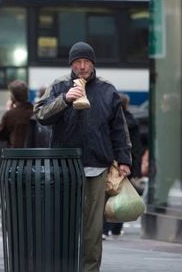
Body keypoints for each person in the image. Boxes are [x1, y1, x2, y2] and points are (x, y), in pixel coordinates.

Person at [33, 42, 132, 272]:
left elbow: (119, 128)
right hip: (64, 168)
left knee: (92, 230)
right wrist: (65, 100)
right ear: (71, 64)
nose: (82, 66)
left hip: (97, 168)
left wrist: (124, 159)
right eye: (77, 62)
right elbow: (40, 114)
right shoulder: (59, 86)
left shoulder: (107, 90)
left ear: (93, 63)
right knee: (63, 225)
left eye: (86, 61)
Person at [103, 93, 142, 239]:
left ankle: (106, 228)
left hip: (112, 163)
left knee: (109, 194)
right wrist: (135, 166)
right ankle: (117, 228)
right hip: (127, 163)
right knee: (122, 195)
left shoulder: (111, 120)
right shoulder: (133, 120)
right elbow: (136, 146)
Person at [0, 80, 33, 148]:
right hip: (35, 156)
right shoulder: (35, 111)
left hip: (16, 156)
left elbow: (0, 135)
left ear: (13, 97)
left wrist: (9, 111)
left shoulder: (10, 115)